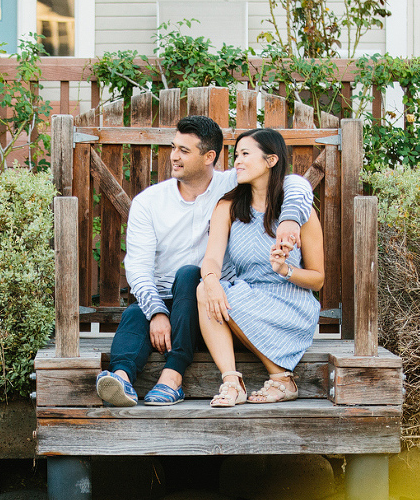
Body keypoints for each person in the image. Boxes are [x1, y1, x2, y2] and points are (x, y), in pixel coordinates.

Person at [95, 116, 314, 407]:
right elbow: (137, 269)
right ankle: (121, 378)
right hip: (165, 298)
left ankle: (172, 378)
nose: (174, 156)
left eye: (184, 151)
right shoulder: (149, 202)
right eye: (174, 148)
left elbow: (294, 182)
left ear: (209, 156)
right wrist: (157, 313)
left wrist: (289, 220)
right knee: (136, 314)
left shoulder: (232, 184)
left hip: (207, 304)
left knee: (189, 275)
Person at [197, 128, 325, 407]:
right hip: (247, 299)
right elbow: (212, 258)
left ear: (271, 160)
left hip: (291, 304)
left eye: (245, 154)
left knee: (225, 294)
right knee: (204, 288)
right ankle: (232, 382)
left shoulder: (299, 210)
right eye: (235, 155)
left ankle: (281, 378)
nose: (237, 162)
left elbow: (317, 280)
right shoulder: (228, 206)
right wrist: (210, 280)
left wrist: (285, 270)